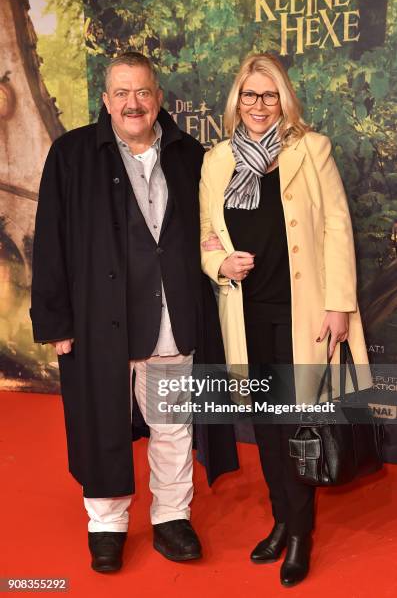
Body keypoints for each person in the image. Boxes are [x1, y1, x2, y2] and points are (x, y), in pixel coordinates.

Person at [30, 51, 238, 573]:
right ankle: (107, 522)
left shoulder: (193, 155)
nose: (133, 103)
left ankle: (172, 516)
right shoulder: (72, 154)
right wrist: (55, 320)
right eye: (121, 93)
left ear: (159, 98)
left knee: (173, 424)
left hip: (173, 315)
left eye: (142, 92)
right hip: (101, 321)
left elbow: (213, 229)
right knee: (103, 422)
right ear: (105, 100)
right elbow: (51, 241)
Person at [200, 53, 372, 587]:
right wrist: (219, 263)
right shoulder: (217, 159)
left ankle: (299, 535)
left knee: (300, 423)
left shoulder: (310, 149)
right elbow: (206, 232)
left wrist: (339, 304)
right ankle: (281, 520)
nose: (258, 104)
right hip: (246, 314)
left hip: (304, 314)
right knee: (268, 427)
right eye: (249, 95)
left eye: (269, 94)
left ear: (284, 99)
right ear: (236, 101)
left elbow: (337, 229)